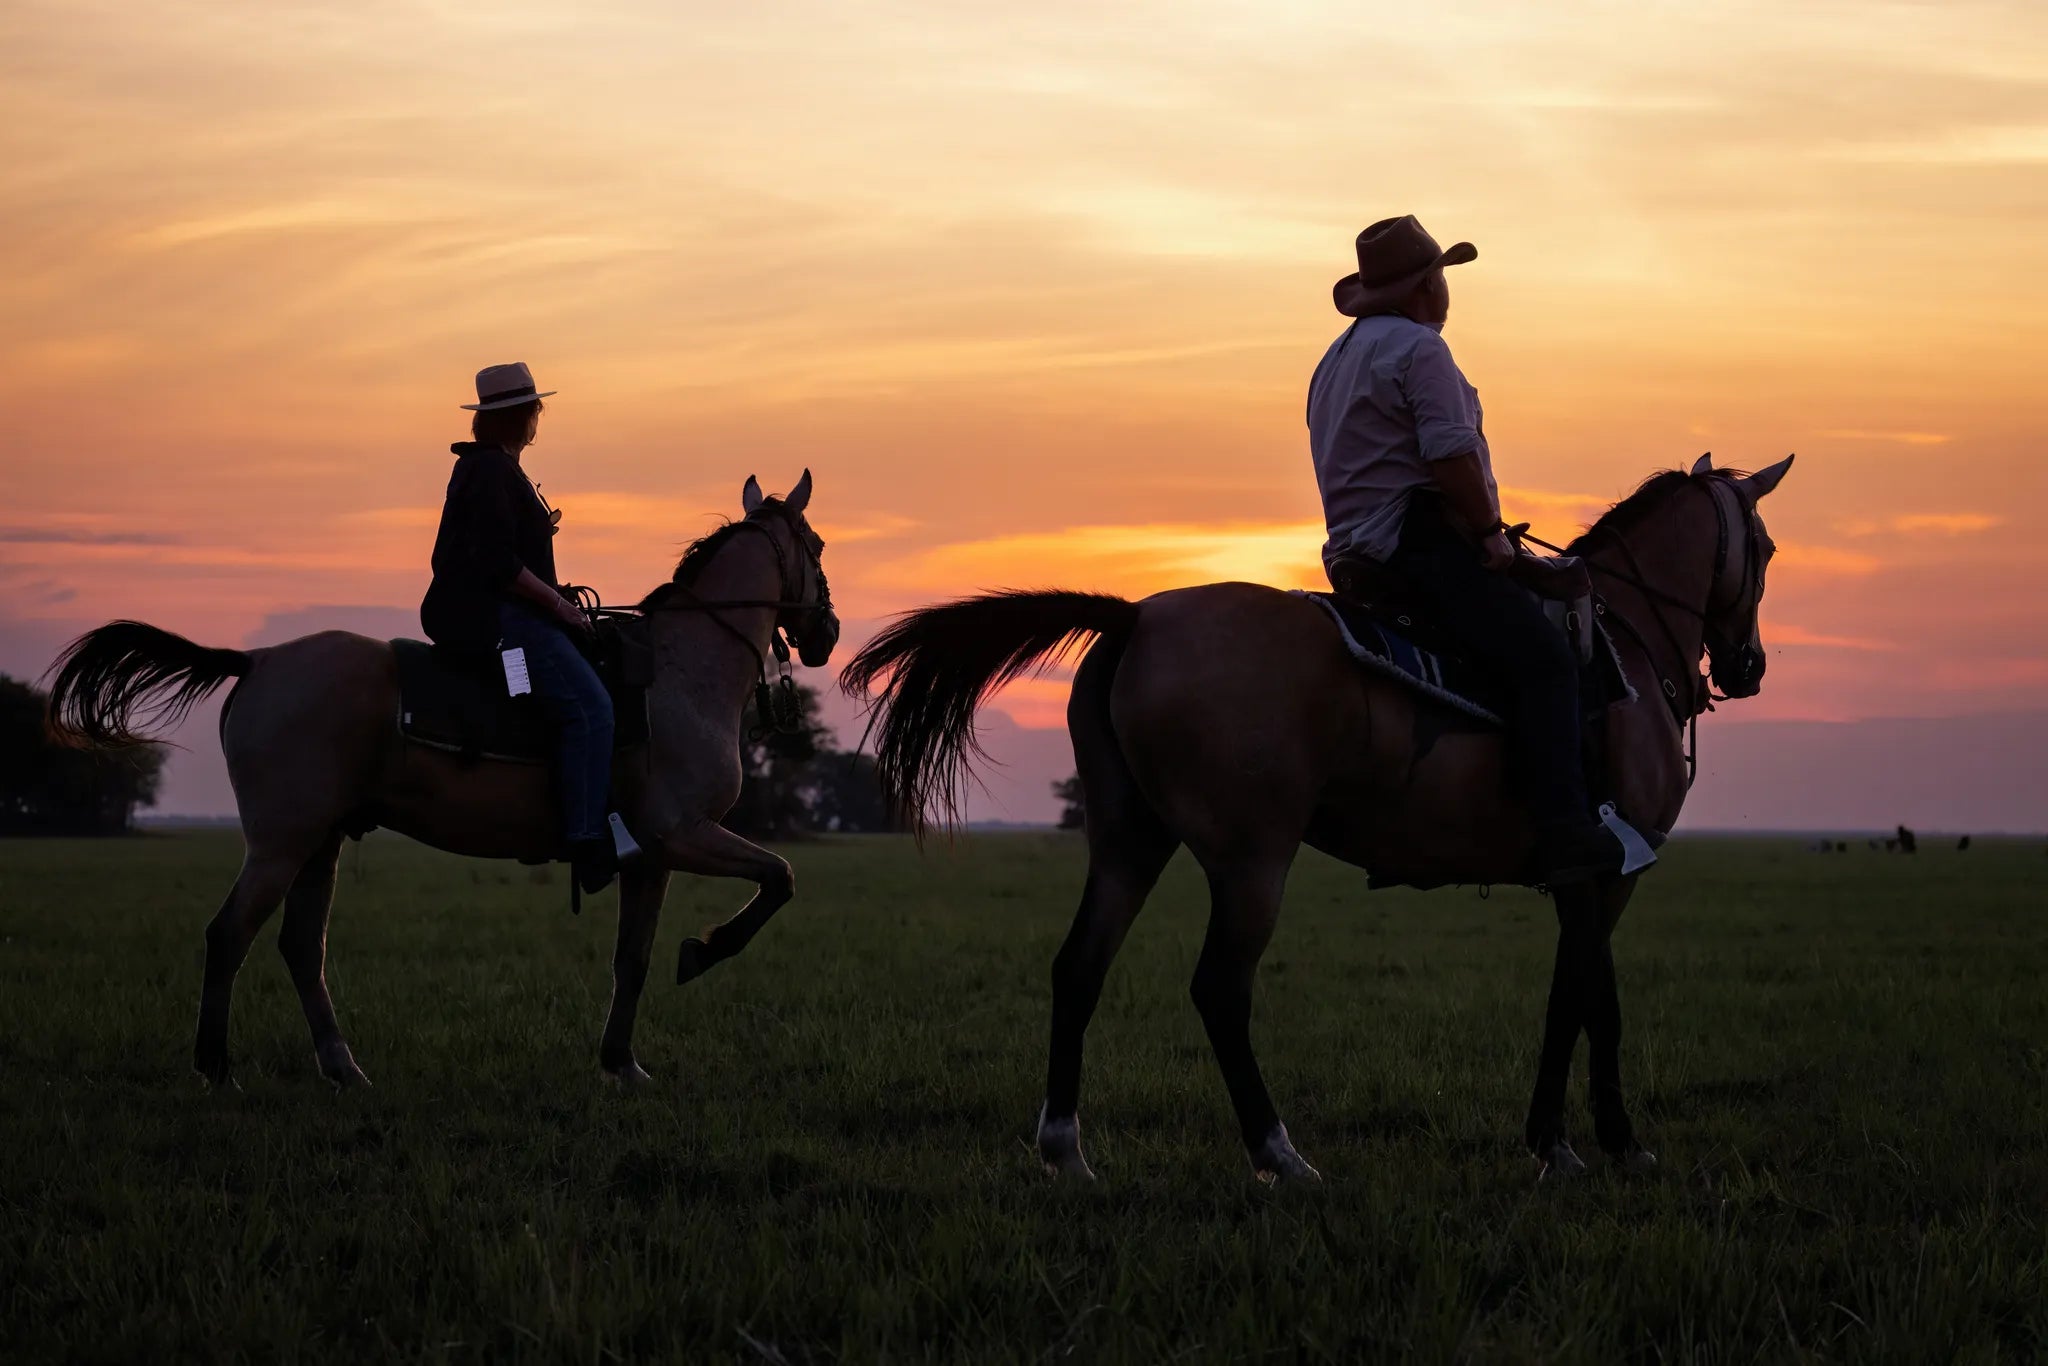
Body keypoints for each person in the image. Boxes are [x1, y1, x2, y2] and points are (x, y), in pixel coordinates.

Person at [1307, 216, 1621, 884]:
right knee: (1546, 662)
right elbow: (1449, 455)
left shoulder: (1335, 357)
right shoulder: (1421, 351)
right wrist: (1489, 535)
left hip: (1353, 553)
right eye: (1442, 275)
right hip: (1419, 545)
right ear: (1427, 285)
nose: (1446, 288)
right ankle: (1565, 831)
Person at [420, 362, 618, 893]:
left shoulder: (496, 468)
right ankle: (583, 835)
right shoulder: (490, 472)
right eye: (535, 410)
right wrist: (560, 607)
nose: (538, 419)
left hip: (506, 615)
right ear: (523, 416)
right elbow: (498, 564)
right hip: (503, 622)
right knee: (592, 710)